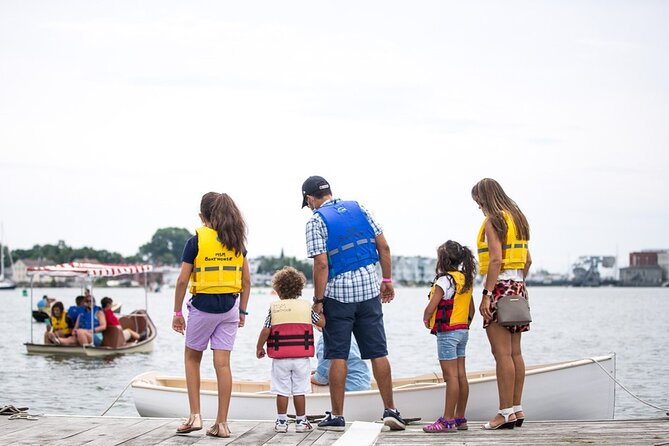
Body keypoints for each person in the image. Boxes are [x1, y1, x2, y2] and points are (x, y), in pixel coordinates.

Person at [301, 175, 406, 431]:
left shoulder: (316, 221)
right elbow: (384, 247)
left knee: (337, 354)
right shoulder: (359, 208)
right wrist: (387, 280)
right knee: (378, 352)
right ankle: (391, 410)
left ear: (310, 198)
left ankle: (337, 415)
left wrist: (318, 301)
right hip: (369, 292)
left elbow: (321, 264)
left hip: (338, 297)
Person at [172, 192, 251, 439]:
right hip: (229, 308)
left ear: (202, 216)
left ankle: (195, 415)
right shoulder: (236, 241)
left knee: (192, 358)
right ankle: (222, 423)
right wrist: (242, 311)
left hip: (203, 308)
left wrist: (177, 312)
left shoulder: (195, 240)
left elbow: (182, 280)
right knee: (223, 364)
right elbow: (246, 282)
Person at [472, 178, 532, 430]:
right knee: (515, 353)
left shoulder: (493, 221)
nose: (478, 206)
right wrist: (518, 284)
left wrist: (487, 294)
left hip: (498, 288)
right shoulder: (518, 219)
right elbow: (528, 261)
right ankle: (516, 409)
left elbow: (495, 260)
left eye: (478, 201)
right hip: (518, 288)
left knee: (502, 354)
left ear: (485, 198)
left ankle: (504, 413)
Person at [256, 266, 325, 434]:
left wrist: (259, 347)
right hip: (301, 358)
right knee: (300, 390)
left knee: (281, 390)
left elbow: (266, 330)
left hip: (281, 358)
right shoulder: (306, 307)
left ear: (278, 289)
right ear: (299, 288)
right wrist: (321, 311)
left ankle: (281, 422)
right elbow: (321, 323)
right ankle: (301, 422)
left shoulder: (275, 308)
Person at [421, 240, 476, 433]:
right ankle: (460, 418)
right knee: (461, 375)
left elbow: (432, 306)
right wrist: (465, 325)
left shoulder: (444, 281)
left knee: (450, 377)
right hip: (463, 331)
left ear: (442, 260)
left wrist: (426, 318)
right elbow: (471, 310)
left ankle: (447, 420)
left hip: (447, 333)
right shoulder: (465, 279)